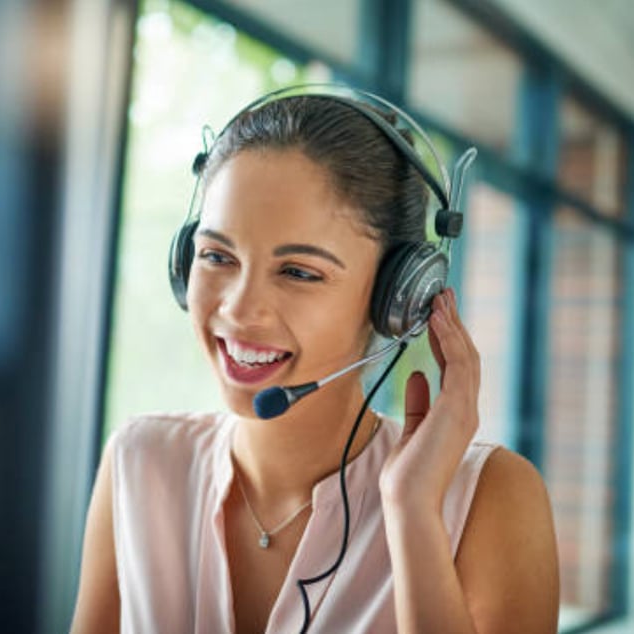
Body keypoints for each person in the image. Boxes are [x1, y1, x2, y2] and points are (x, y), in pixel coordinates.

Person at [71, 86, 560, 633]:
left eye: (299, 272)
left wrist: (413, 511)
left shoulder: (493, 498)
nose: (239, 309)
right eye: (216, 256)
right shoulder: (141, 463)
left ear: (398, 297)